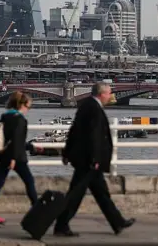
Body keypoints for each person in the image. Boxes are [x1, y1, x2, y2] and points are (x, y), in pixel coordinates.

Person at [54, 82, 135, 237]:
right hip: (89, 161)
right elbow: (94, 136)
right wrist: (95, 158)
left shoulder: (87, 106)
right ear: (101, 94)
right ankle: (61, 225)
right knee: (75, 195)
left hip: (86, 159)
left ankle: (117, 222)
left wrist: (66, 152)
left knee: (101, 193)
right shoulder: (94, 109)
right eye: (109, 93)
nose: (110, 96)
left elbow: (74, 131)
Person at [0, 91, 39, 225]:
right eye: (28, 107)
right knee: (29, 182)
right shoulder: (20, 120)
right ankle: (37, 210)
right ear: (22, 105)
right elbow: (17, 141)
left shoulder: (5, 117)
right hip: (16, 157)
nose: (28, 110)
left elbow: (6, 138)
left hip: (2, 154)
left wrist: (31, 147)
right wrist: (14, 159)